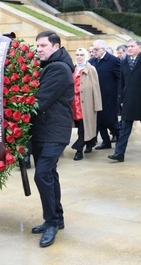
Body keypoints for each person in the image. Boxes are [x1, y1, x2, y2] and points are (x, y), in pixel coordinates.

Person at [30, 30, 74, 247]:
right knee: (49, 174)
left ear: (56, 47)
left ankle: (51, 223)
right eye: (37, 46)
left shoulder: (58, 68)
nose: (38, 50)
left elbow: (40, 101)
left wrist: (10, 111)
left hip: (54, 131)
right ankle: (57, 217)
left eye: (43, 46)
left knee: (42, 174)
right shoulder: (48, 66)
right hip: (43, 130)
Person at [108, 39, 141, 162]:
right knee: (124, 128)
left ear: (139, 48)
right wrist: (121, 99)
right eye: (128, 46)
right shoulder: (123, 63)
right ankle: (119, 153)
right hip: (128, 99)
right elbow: (121, 83)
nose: (129, 48)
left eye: (132, 46)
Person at [71, 48, 102, 160]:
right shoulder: (72, 69)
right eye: (77, 54)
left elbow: (96, 87)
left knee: (84, 128)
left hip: (86, 104)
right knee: (80, 126)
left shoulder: (91, 69)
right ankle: (90, 142)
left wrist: (97, 105)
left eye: (81, 55)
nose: (79, 57)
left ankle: (79, 150)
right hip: (74, 104)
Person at [89, 40, 120, 150]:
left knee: (110, 121)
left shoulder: (113, 60)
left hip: (110, 97)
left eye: (96, 50)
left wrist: (120, 95)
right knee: (99, 120)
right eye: (93, 50)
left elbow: (120, 78)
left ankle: (120, 137)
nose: (94, 52)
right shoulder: (92, 61)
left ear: (103, 49)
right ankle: (106, 141)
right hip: (96, 97)